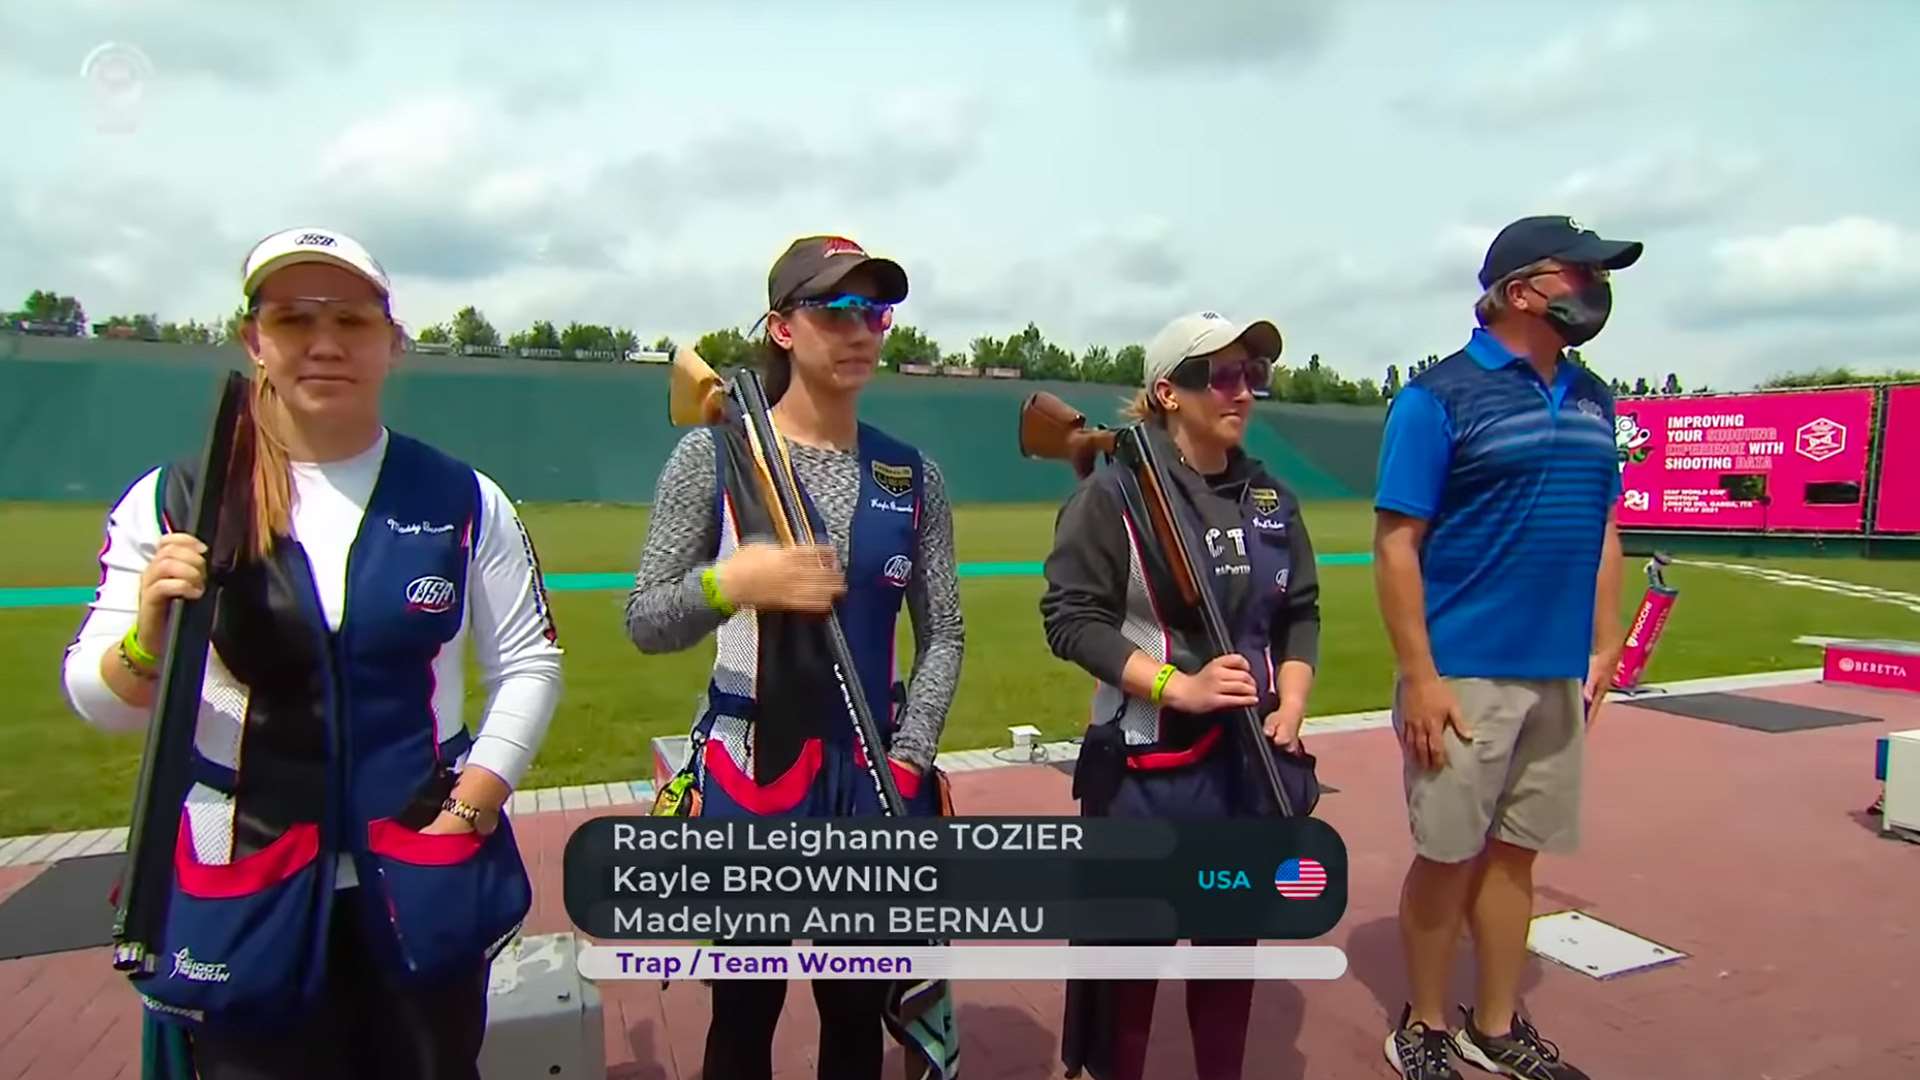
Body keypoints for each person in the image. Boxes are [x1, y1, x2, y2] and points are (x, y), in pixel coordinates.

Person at [61, 227, 564, 1079]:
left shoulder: (464, 497)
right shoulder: (176, 499)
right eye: (294, 320)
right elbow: (100, 698)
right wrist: (149, 634)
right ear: (254, 340)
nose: (325, 344)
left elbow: (529, 664)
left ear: (392, 343)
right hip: (245, 881)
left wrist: (471, 808)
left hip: (418, 873)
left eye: (352, 321)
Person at [625, 234, 965, 1080]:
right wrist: (735, 581)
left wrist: (914, 754)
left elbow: (946, 631)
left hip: (873, 768)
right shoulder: (712, 454)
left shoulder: (912, 474)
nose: (861, 330)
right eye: (836, 309)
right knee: (744, 1010)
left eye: (876, 312)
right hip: (752, 765)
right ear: (782, 327)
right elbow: (645, 619)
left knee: (854, 1010)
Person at [1373, 215, 1640, 1080]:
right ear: (1520, 290)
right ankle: (1422, 1023)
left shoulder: (1597, 398)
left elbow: (1603, 527)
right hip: (1465, 672)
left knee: (1516, 852)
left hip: (1556, 673)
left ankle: (1493, 1025)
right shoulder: (1436, 399)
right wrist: (1420, 676)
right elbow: (1397, 543)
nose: (1596, 289)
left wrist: (1605, 648)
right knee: (1448, 854)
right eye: (1580, 273)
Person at [1041, 311, 1322, 1080]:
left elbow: (1299, 613)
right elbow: (1070, 621)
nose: (1243, 391)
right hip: (1146, 773)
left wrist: (1290, 702)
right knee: (1126, 973)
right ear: (1168, 391)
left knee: (1229, 958)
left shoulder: (1272, 498)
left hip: (1248, 770)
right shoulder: (1113, 497)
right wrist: (1180, 686)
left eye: (1252, 375)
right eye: (1222, 375)